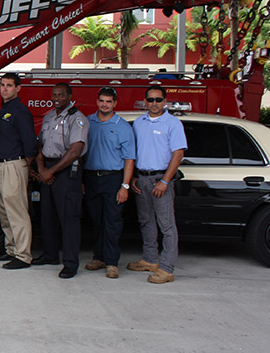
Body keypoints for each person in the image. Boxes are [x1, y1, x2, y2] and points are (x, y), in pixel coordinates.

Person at [127, 86, 187, 284]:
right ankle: (150, 259)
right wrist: (135, 176)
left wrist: (164, 181)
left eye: (158, 100)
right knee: (146, 221)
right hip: (142, 179)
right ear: (145, 101)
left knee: (167, 226)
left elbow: (178, 154)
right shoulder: (138, 122)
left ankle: (167, 269)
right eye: (151, 100)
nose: (154, 103)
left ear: (165, 101)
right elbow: (135, 152)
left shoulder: (173, 123)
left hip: (161, 180)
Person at [34, 82, 89, 278]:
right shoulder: (49, 116)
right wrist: (42, 169)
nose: (57, 98)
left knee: (69, 219)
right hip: (48, 168)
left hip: (66, 172)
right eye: (54, 95)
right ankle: (50, 255)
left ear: (70, 96)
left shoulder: (77, 119)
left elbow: (75, 151)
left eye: (61, 95)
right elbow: (40, 145)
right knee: (47, 216)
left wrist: (52, 171)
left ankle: (70, 263)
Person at [83, 87, 136, 279]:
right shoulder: (88, 122)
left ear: (115, 104)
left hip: (113, 178)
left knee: (112, 221)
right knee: (96, 220)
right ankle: (99, 257)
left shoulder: (123, 126)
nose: (105, 104)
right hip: (90, 177)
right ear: (97, 101)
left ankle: (112, 262)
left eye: (109, 101)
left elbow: (129, 159)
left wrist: (125, 186)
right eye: (102, 101)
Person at [0, 73, 37, 270]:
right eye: (2, 85)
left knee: (17, 211)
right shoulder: (4, 110)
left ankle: (23, 255)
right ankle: (11, 249)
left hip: (14, 165)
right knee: (4, 211)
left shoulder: (20, 111)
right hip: (0, 165)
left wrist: (23, 166)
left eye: (9, 85)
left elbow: (30, 144)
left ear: (18, 88)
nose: (5, 89)